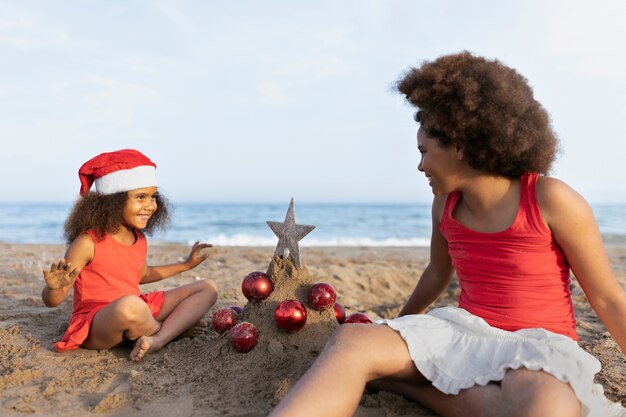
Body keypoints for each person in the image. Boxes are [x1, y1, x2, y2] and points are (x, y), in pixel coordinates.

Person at [270, 52, 626, 417]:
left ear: (460, 146)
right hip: (464, 333)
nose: (420, 165)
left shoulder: (551, 198)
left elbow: (607, 297)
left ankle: (415, 389)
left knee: (547, 406)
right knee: (353, 340)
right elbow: (438, 272)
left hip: (537, 346)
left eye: (425, 152)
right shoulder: (445, 204)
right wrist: (398, 326)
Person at [41, 149, 218, 361]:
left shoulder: (139, 239)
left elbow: (141, 275)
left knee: (208, 288)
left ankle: (156, 338)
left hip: (137, 310)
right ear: (112, 202)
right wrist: (54, 287)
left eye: (153, 196)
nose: (150, 205)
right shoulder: (87, 242)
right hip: (99, 323)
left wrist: (186, 265)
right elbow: (53, 300)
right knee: (130, 306)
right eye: (140, 197)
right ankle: (170, 331)